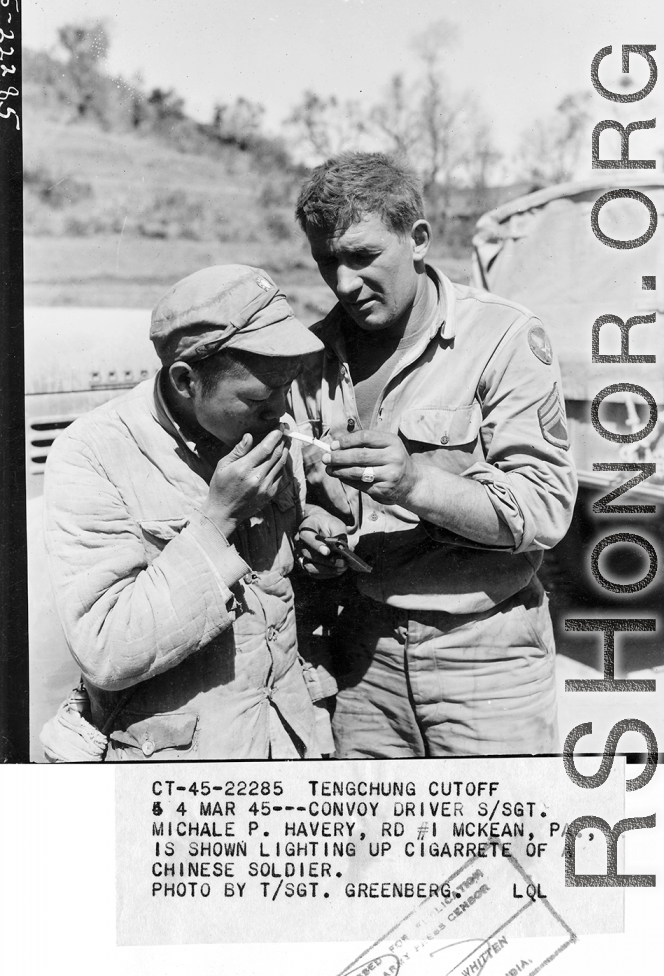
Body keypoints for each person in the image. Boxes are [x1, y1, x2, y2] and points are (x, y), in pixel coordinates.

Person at [290, 152, 578, 758]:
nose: (343, 284)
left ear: (418, 240)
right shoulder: (309, 359)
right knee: (377, 851)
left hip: (487, 659)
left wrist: (415, 481)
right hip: (360, 661)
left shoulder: (501, 339)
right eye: (326, 262)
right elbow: (299, 500)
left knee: (500, 849)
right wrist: (310, 532)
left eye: (364, 257)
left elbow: (546, 509)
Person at [43, 264, 336, 760]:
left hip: (288, 744)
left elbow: (274, 587)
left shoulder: (266, 429)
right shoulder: (93, 452)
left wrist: (310, 537)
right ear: (186, 381)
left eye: (288, 388)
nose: (281, 411)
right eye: (260, 398)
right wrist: (217, 519)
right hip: (177, 775)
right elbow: (105, 650)